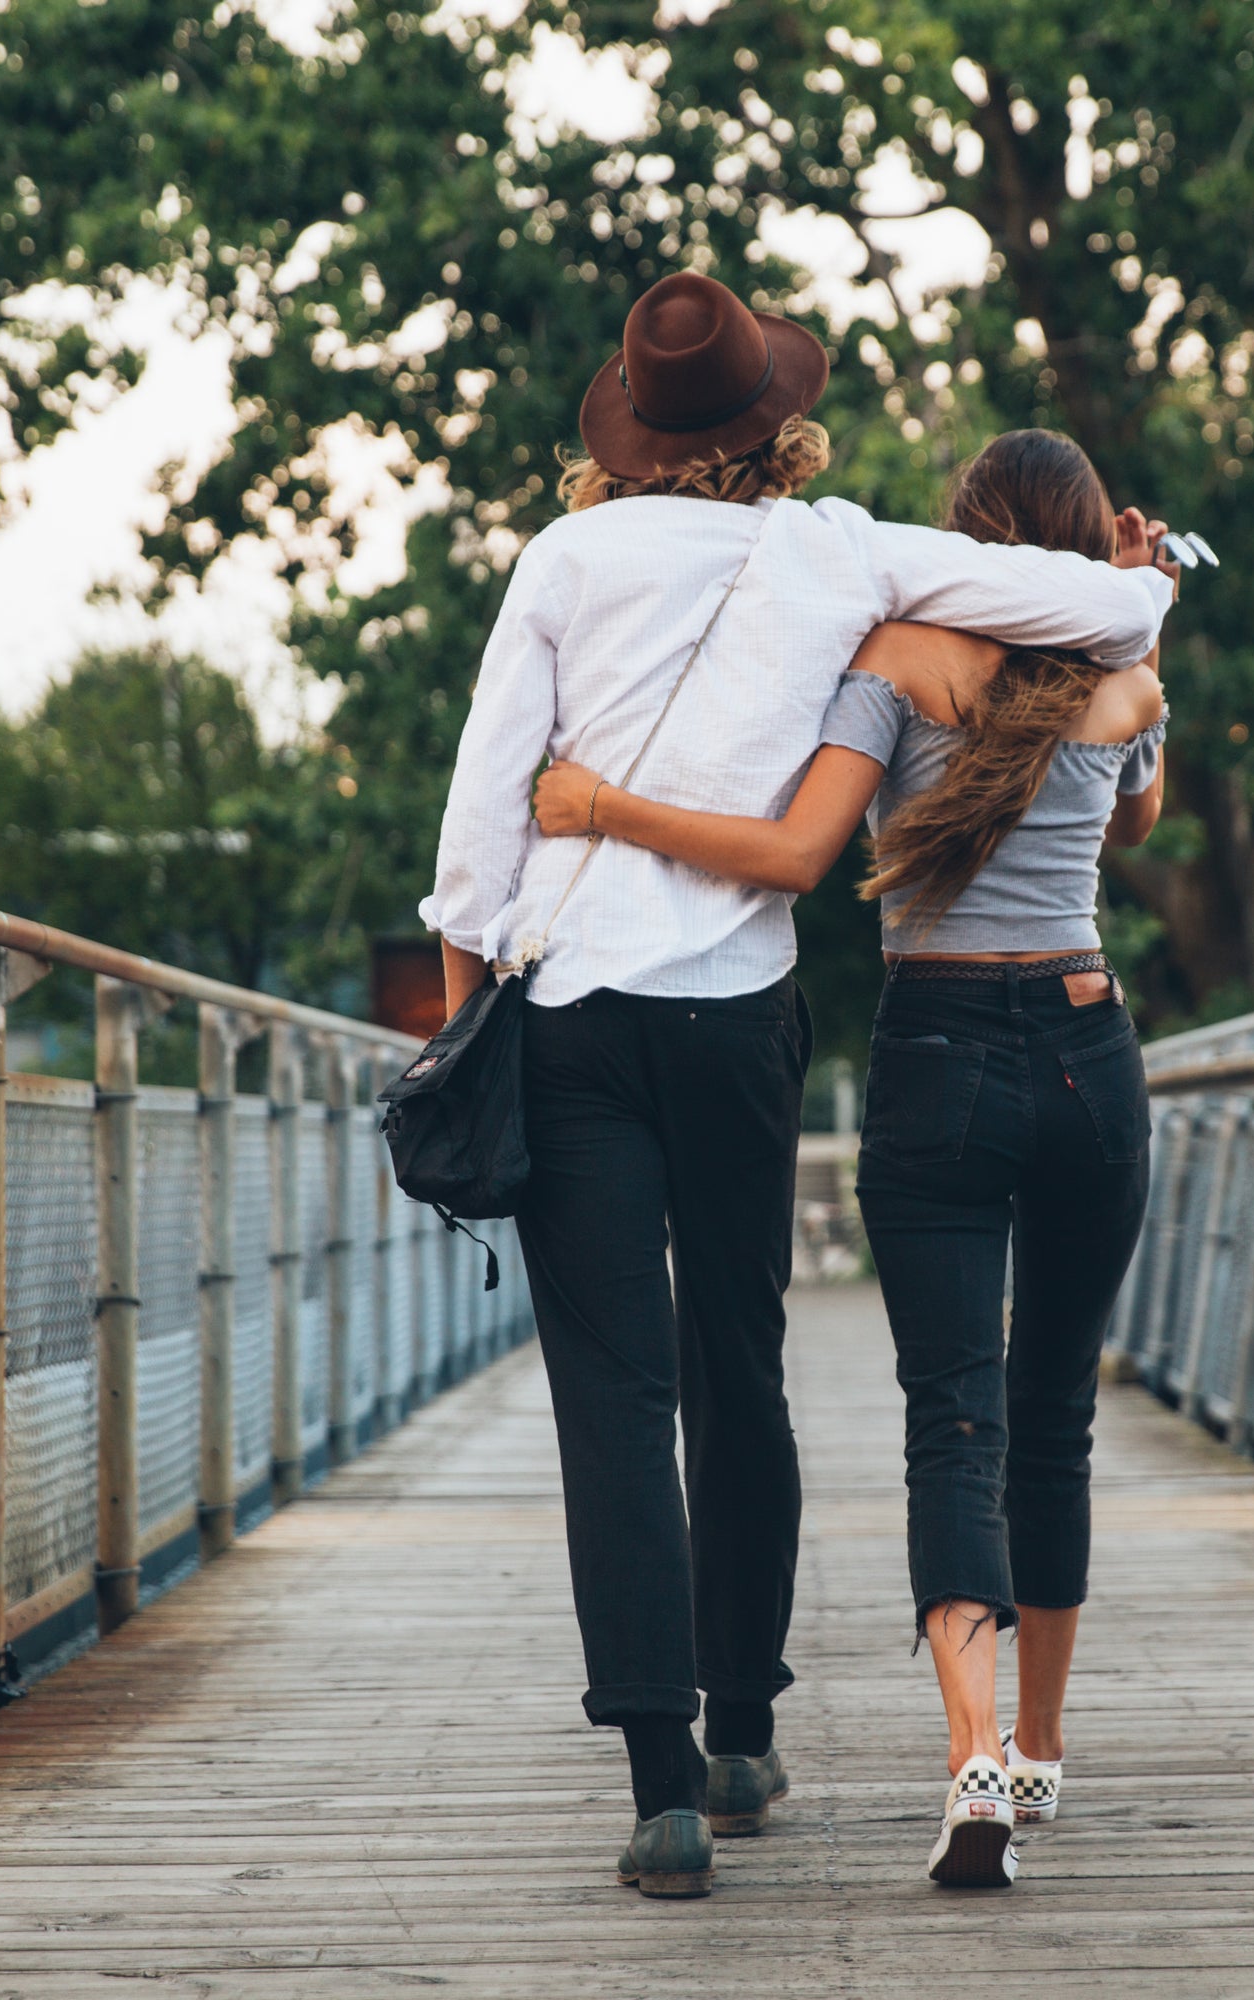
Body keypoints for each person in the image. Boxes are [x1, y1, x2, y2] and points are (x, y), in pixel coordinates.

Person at [420, 280, 1174, 1900]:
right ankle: (748, 1721)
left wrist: (468, 1015)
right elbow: (1111, 625)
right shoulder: (843, 548)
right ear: (771, 424)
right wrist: (1131, 574)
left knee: (613, 1398)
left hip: (573, 1014)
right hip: (737, 1011)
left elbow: (482, 833)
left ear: (630, 429)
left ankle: (661, 1786)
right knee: (735, 1357)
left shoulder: (559, 565)